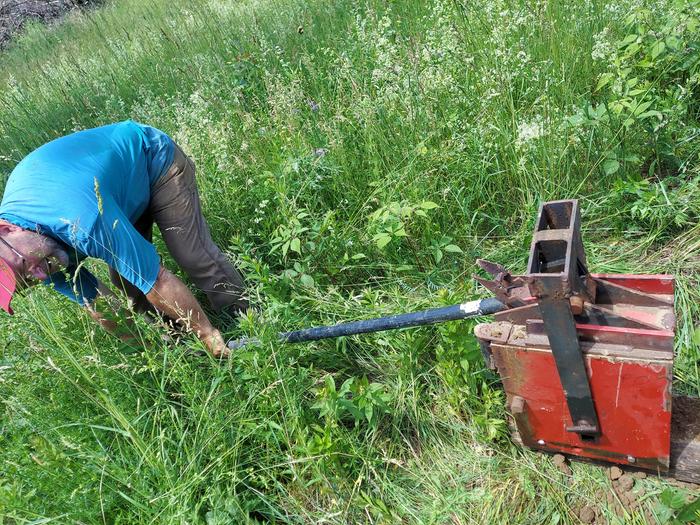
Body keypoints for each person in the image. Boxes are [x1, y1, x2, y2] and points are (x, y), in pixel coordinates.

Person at [0, 120, 247, 357]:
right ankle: (176, 341)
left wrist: (207, 335)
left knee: (193, 255)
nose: (40, 276)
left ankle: (248, 323)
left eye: (24, 266)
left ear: (7, 229)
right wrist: (154, 356)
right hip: (113, 196)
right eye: (27, 284)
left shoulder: (80, 221)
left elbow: (156, 281)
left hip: (152, 162)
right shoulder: (25, 257)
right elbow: (97, 303)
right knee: (125, 280)